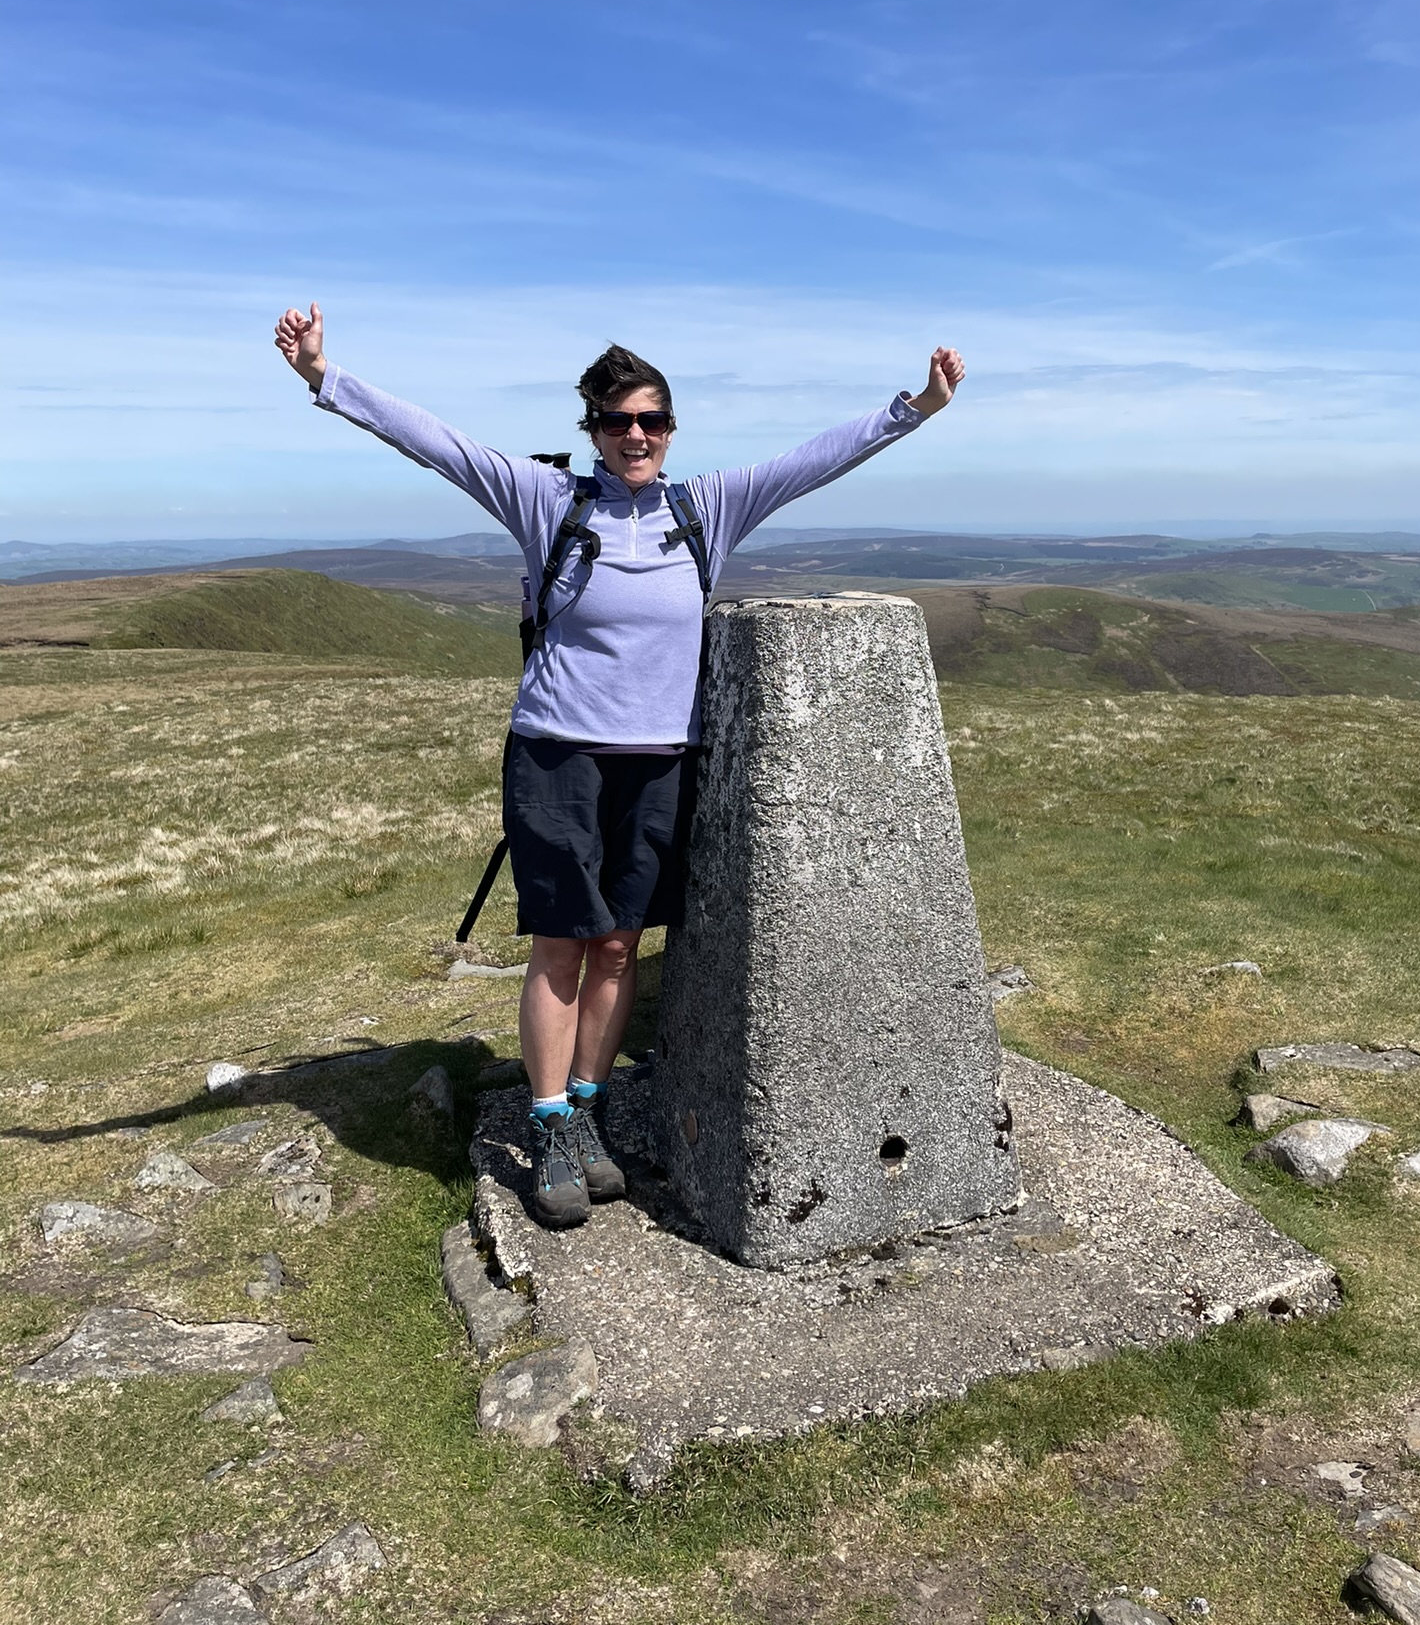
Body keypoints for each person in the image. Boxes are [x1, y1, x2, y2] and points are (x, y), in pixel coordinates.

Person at [275, 302, 965, 1226]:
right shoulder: (546, 500)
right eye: (617, 421)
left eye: (651, 421)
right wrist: (326, 377)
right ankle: (551, 1122)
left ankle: (589, 1110)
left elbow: (811, 461)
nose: (635, 435)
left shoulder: (703, 507)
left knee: (616, 945)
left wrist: (915, 406)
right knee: (562, 944)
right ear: (592, 431)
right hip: (558, 752)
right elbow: (436, 443)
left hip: (659, 762)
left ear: (671, 431)